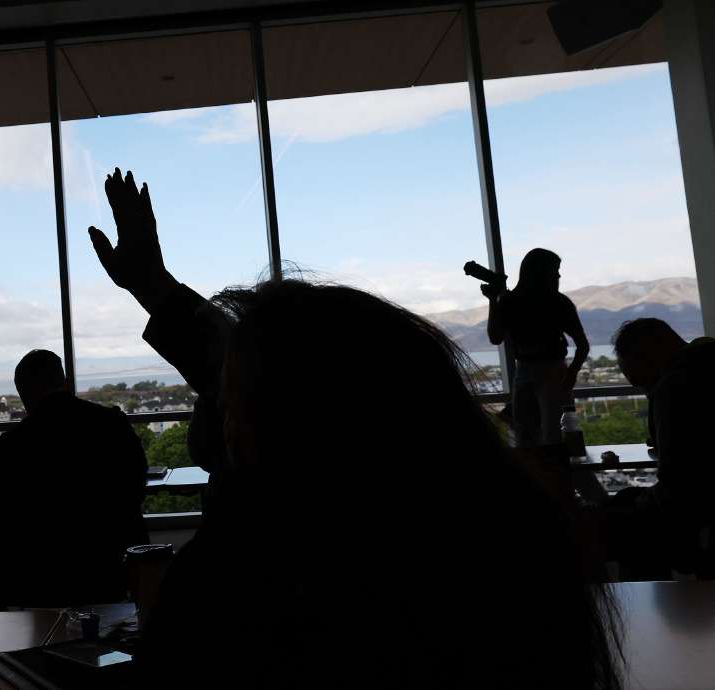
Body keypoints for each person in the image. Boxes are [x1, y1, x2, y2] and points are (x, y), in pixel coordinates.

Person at [88, 168, 622, 689]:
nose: (226, 427)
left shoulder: (251, 574)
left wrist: (155, 288)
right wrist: (155, 288)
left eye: (233, 405)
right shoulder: (503, 550)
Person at [0, 350, 148, 611]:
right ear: (65, 382)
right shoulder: (113, 423)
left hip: (40, 573)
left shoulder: (10, 446)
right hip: (112, 560)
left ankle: (2, 634)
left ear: (23, 394)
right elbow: (136, 488)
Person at [605, 318, 715, 577]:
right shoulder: (705, 362)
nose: (647, 392)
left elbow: (679, 485)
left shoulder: (674, 387)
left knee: (621, 523)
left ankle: (653, 599)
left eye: (642, 382)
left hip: (702, 515)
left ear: (647, 358)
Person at [485, 248, 590, 447]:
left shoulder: (510, 301)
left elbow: (495, 337)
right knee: (556, 434)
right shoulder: (559, 303)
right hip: (554, 370)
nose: (558, 276)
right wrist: (571, 374)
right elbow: (582, 345)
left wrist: (493, 301)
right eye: (555, 271)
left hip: (524, 370)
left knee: (524, 435)